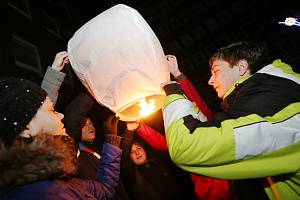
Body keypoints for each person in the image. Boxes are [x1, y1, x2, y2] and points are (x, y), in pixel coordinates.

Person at [161, 41, 300, 199]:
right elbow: (210, 124)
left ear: (241, 67)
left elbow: (185, 146)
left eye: (216, 71)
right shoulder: (274, 93)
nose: (210, 81)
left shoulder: (265, 105)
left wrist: (173, 95)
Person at [127, 55, 232, 200]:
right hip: (210, 192)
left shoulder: (207, 123)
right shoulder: (182, 135)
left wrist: (178, 74)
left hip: (229, 184)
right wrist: (139, 127)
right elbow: (165, 143)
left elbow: (199, 104)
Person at [0, 76, 122, 199]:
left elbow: (105, 189)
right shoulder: (47, 194)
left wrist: (112, 139)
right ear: (26, 129)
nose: (61, 115)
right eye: (52, 110)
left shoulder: (58, 178)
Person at [121, 126, 195, 200]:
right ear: (129, 157)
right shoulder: (131, 173)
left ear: (145, 150)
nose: (137, 152)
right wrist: (129, 130)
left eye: (138, 148)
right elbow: (122, 154)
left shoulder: (159, 162)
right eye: (132, 152)